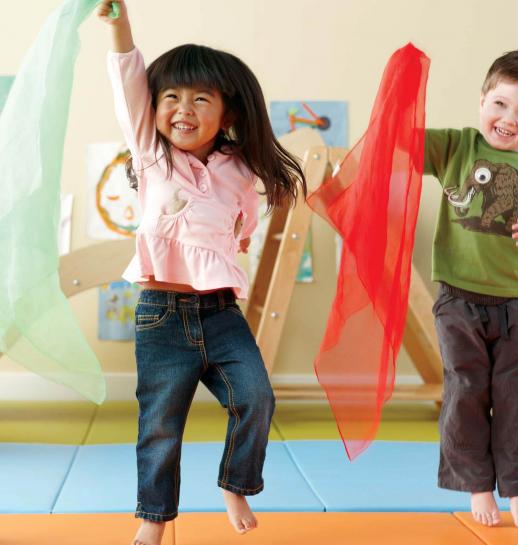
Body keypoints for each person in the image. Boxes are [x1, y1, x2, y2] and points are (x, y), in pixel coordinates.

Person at [96, 2, 306, 544]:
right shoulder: (150, 153)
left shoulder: (241, 167)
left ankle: (234, 483)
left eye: (200, 99)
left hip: (219, 311)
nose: (182, 109)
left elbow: (244, 227)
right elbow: (126, 80)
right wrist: (119, 23)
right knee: (161, 424)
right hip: (160, 314)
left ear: (228, 113)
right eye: (171, 97)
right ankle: (154, 519)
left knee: (256, 397)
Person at [425, 50, 518, 529]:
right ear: (481, 101)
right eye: (500, 104)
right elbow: (400, 143)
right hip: (458, 298)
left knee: (514, 392)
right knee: (466, 387)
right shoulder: (457, 148)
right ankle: (476, 485)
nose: (508, 120)